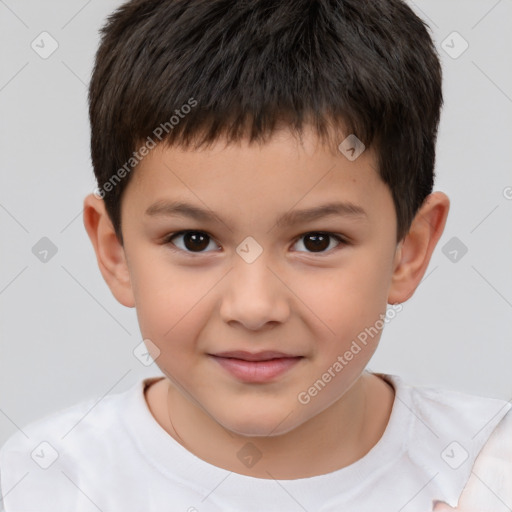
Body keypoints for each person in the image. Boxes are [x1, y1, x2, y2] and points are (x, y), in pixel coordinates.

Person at [1, 0, 510, 510]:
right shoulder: (43, 484)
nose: (254, 307)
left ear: (409, 250)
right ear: (116, 252)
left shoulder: (489, 468)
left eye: (317, 241)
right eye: (194, 240)